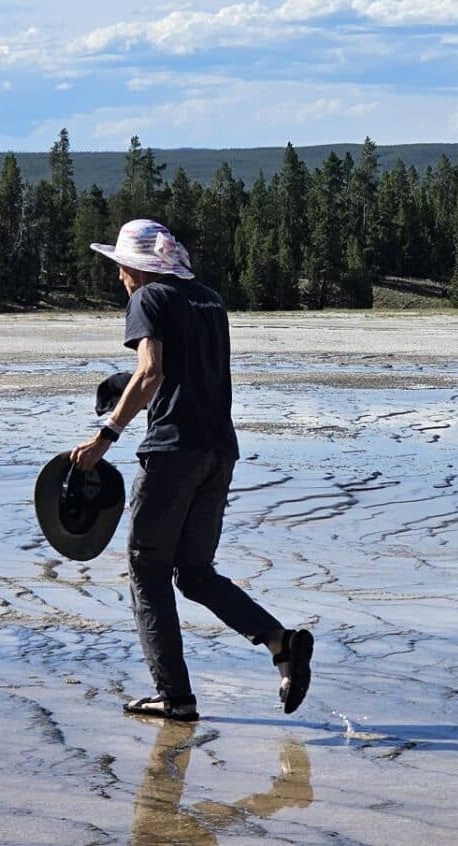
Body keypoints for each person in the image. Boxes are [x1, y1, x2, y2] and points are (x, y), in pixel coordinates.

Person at [70, 219, 313, 722]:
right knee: (196, 572)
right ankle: (280, 642)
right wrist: (122, 385)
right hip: (219, 450)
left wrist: (106, 434)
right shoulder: (209, 299)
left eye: (120, 266)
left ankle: (174, 695)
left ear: (138, 266)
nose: (119, 278)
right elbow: (186, 371)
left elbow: (153, 371)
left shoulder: (148, 299)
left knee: (147, 567)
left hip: (172, 452)